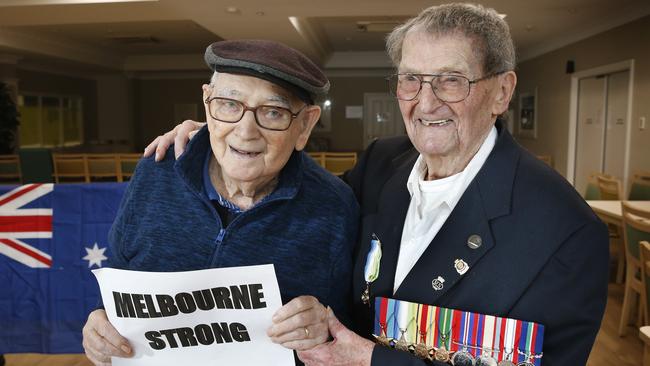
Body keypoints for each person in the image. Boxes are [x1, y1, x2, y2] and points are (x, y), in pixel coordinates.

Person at [146, 4, 609, 365]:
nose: (425, 101)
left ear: (502, 93)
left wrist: (372, 361)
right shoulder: (382, 164)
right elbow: (290, 209)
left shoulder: (564, 232)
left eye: (451, 81)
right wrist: (217, 140)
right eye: (410, 79)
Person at [81, 39, 359, 365]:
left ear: (305, 125)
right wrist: (98, 322)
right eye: (229, 104)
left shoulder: (333, 206)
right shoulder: (155, 173)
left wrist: (324, 326)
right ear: (207, 103)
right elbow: (117, 275)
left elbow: (347, 323)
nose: (245, 132)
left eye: (272, 112)